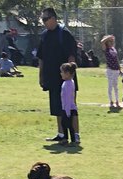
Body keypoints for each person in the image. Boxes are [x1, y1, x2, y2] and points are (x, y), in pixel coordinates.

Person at [38, 7, 77, 142]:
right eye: (42, 19)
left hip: (66, 79)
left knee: (70, 107)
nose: (44, 22)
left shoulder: (64, 33)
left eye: (45, 19)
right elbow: (41, 57)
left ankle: (75, 136)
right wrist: (41, 75)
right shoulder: (44, 35)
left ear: (53, 18)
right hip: (52, 78)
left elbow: (72, 56)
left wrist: (70, 77)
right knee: (56, 107)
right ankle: (61, 134)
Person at [59, 61, 80, 146]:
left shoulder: (68, 84)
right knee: (64, 124)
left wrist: (67, 111)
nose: (61, 74)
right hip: (66, 108)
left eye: (62, 72)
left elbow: (68, 98)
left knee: (69, 125)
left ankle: (73, 140)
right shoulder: (68, 82)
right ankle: (66, 138)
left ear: (67, 73)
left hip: (68, 109)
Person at [101, 34, 121, 112]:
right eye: (109, 41)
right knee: (110, 86)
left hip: (116, 70)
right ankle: (111, 101)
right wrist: (108, 37)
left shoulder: (113, 49)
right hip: (110, 70)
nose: (111, 42)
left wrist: (119, 68)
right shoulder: (106, 49)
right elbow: (102, 42)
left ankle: (117, 101)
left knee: (116, 86)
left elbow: (116, 59)